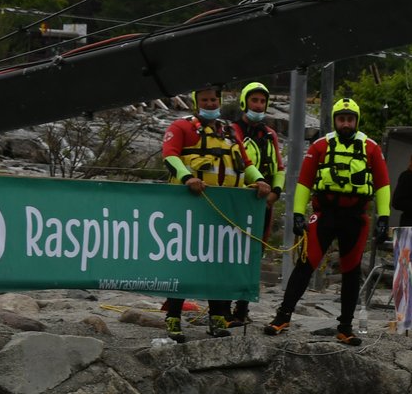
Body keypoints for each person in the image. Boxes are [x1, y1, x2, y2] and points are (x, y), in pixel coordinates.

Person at [264, 97, 391, 346]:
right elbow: (304, 181)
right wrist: (298, 213)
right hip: (325, 215)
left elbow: (383, 184)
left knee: (351, 271)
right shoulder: (321, 146)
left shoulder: (371, 148)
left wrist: (384, 216)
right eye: (341, 119)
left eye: (350, 119)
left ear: (356, 121)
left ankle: (345, 327)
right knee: (306, 263)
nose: (346, 123)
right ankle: (282, 317)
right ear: (335, 120)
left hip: (355, 217)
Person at [160, 85, 271, 342]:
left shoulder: (229, 131)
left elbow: (246, 163)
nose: (210, 103)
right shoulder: (182, 127)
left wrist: (260, 180)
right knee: (184, 263)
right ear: (196, 101)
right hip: (189, 207)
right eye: (205, 99)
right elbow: (170, 156)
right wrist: (187, 178)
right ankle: (173, 317)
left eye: (214, 99)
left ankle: (218, 317)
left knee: (221, 264)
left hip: (224, 208)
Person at [229, 81, 285, 329]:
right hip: (241, 199)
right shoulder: (233, 130)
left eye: (262, 102)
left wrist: (275, 193)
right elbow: (241, 160)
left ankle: (242, 308)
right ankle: (221, 307)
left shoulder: (269, 134)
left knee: (254, 255)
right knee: (232, 254)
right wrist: (259, 185)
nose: (259, 106)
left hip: (264, 202)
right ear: (244, 102)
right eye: (254, 101)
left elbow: (280, 168)